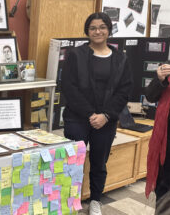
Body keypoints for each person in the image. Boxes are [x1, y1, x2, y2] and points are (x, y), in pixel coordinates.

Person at [61, 12, 132, 215]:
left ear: (109, 30)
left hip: (107, 121)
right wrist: (91, 114)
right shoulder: (75, 55)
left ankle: (95, 201)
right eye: (93, 28)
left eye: (102, 27)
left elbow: (124, 90)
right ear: (87, 31)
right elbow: (68, 86)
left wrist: (106, 116)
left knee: (99, 163)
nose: (98, 31)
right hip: (77, 117)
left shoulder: (120, 59)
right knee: (73, 162)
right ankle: (70, 201)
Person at [144, 55, 170, 202]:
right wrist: (159, 80)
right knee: (165, 182)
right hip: (168, 133)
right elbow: (150, 96)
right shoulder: (169, 66)